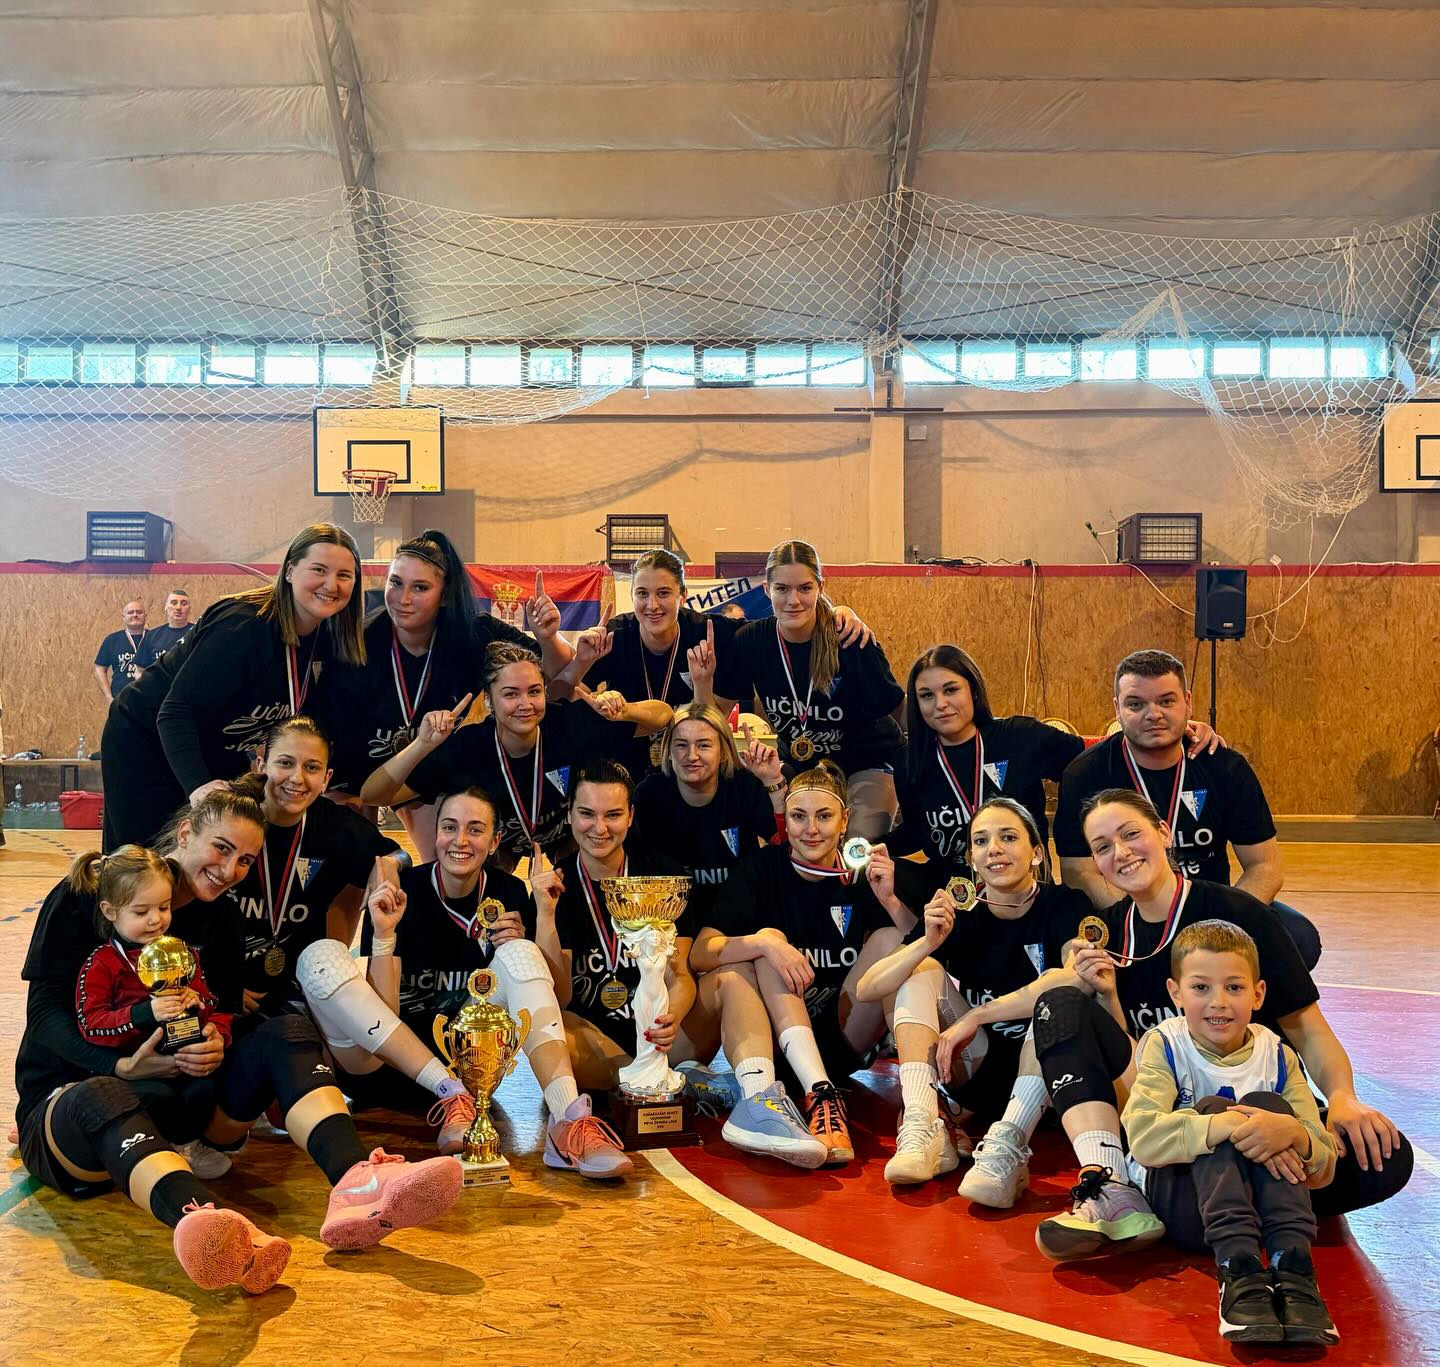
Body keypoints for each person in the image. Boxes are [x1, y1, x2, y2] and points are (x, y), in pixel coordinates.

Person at [15, 784, 460, 1293]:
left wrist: (215, 1041)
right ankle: (213, 1227)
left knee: (287, 1030)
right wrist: (118, 1066)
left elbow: (224, 1010)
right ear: (187, 833)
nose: (229, 870)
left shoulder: (223, 915)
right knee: (102, 1094)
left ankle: (357, 1180)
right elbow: (44, 1017)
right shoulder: (91, 894)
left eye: (245, 860)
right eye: (221, 848)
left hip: (184, 1108)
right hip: (80, 1109)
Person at [1030, 789, 1411, 1262]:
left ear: (1163, 833)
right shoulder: (1106, 937)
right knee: (1060, 1001)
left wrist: (1342, 1098)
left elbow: (1306, 1026)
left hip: (1257, 1106)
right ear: (1096, 863)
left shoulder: (1239, 915)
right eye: (1103, 846)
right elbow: (1128, 1059)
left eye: (1131, 834)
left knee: (1385, 1157)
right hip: (1176, 1122)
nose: (1121, 853)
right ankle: (1118, 1186)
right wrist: (1102, 995)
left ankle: (1217, 1203)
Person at [299, 786, 632, 1176]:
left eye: (475, 829)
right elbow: (386, 1013)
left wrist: (541, 918)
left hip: (471, 1071)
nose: (460, 840)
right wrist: (385, 935)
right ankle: (447, 1090)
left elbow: (556, 998)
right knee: (320, 955)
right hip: (382, 1069)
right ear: (435, 833)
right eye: (449, 827)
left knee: (521, 952)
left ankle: (567, 1120)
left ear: (494, 842)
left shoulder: (509, 893)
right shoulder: (403, 892)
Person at [696, 761, 927, 1165]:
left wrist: (890, 900)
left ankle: (923, 1106)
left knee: (893, 940)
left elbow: (920, 951)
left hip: (844, 1036)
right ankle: (820, 1094)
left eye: (824, 816)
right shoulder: (761, 868)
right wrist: (763, 943)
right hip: (776, 1039)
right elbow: (701, 953)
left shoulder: (864, 872)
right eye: (799, 817)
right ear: (786, 820)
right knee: (767, 943)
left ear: (845, 820)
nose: (811, 829)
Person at [855, 798, 1089, 1190]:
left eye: (1008, 837)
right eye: (981, 841)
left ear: (1036, 853)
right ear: (972, 861)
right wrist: (927, 943)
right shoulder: (961, 912)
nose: (993, 848)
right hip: (978, 1070)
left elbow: (1074, 980)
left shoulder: (1065, 903)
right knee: (920, 970)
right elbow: (868, 988)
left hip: (1043, 1073)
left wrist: (977, 1015)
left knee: (1057, 998)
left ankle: (1009, 1140)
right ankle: (923, 1121)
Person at [1123, 920, 1338, 1345]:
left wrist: (1293, 1134)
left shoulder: (1277, 1054)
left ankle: (1293, 1268)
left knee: (1273, 1110)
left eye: (1234, 987)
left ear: (1258, 994)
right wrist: (1225, 1125)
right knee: (1216, 1109)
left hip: (1262, 1212)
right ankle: (1237, 1270)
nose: (1218, 1002)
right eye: (1201, 988)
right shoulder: (1165, 1045)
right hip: (1190, 1212)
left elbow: (1325, 1164)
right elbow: (1143, 1138)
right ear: (1176, 993)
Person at [100, 522, 366, 851]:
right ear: (289, 571)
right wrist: (198, 787)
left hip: (216, 745)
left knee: (220, 849)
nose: (331, 584)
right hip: (145, 737)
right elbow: (176, 711)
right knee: (145, 862)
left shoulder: (328, 639)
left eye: (344, 575)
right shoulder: (242, 626)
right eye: (319, 570)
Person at [1053, 648, 1320, 968]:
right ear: (1117, 709)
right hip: (1126, 910)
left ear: (1188, 703)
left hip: (1211, 909)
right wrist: (1148, 919)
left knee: (1298, 938)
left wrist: (1220, 926)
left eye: (1167, 701)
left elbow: (1265, 867)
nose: (1153, 714)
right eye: (1136, 704)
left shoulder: (1225, 767)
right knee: (1071, 950)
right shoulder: (1085, 774)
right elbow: (1079, 873)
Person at [320, 530, 574, 857]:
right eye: (395, 582)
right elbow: (329, 731)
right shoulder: (357, 643)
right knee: (350, 862)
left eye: (420, 587)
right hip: (355, 776)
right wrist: (344, 794)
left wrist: (548, 638)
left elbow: (557, 673)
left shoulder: (473, 633)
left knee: (449, 864)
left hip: (423, 773)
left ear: (444, 595)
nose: (403, 598)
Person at [551, 549, 874, 780]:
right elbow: (558, 697)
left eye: (663, 593)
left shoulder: (712, 632)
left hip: (693, 768)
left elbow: (785, 621)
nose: (652, 605)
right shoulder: (616, 635)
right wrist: (579, 660)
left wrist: (836, 613)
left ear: (682, 595)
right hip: (627, 766)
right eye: (642, 594)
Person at [362, 642, 672, 868]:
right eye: (511, 694)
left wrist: (625, 710)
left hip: (566, 837)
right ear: (488, 700)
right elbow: (373, 795)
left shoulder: (568, 724)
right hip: (499, 846)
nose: (526, 704)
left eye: (534, 691)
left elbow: (663, 715)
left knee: (587, 861)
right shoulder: (466, 747)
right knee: (475, 875)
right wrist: (421, 745)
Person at [704, 541, 905, 841]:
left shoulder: (849, 638)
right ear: (766, 590)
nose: (793, 600)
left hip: (868, 762)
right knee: (792, 840)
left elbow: (897, 708)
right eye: (782, 589)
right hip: (799, 763)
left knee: (857, 848)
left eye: (805, 588)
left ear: (821, 587)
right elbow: (714, 713)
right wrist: (702, 683)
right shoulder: (751, 641)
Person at [527, 759, 698, 1097]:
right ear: (569, 815)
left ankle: (662, 1077)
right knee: (547, 1023)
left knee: (722, 985)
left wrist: (673, 1016)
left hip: (662, 1038)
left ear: (631, 816)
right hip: (594, 1043)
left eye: (613, 815)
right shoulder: (556, 886)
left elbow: (680, 975)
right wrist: (545, 914)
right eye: (587, 814)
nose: (600, 828)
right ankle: (647, 1080)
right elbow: (560, 996)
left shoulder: (664, 876)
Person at [220, 717, 402, 1022]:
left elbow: (397, 852)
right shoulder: (229, 818)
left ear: (327, 778)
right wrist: (216, 984)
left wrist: (391, 863)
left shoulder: (334, 825)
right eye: (285, 763)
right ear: (261, 765)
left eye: (312, 767)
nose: (297, 778)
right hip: (220, 986)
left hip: (296, 990)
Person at [632, 701, 788, 926]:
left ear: (723, 751)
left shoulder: (744, 787)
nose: (692, 755)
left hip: (739, 915)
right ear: (668, 751)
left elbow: (787, 849)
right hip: (672, 920)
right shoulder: (649, 795)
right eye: (681, 745)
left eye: (703, 745)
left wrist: (774, 782)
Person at [93, 599, 148, 703]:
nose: (135, 615)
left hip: (151, 700)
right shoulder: (112, 640)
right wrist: (109, 697)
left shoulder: (155, 638)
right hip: (121, 700)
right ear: (123, 617)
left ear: (145, 616)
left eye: (139, 612)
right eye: (130, 612)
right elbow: (99, 669)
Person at [137, 588, 195, 669]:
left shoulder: (198, 633)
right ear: (166, 607)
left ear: (189, 609)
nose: (178, 607)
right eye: (174, 603)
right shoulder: (151, 636)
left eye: (184, 604)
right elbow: (139, 670)